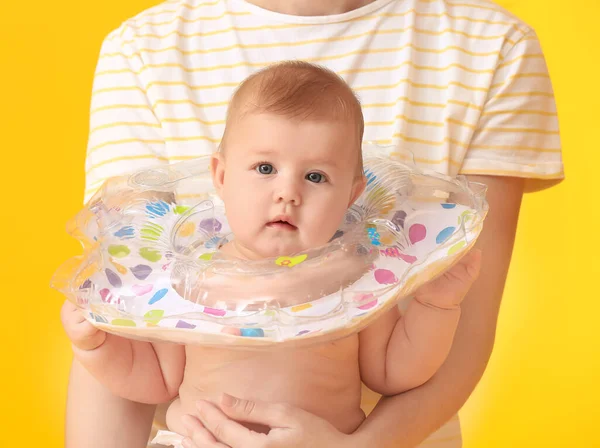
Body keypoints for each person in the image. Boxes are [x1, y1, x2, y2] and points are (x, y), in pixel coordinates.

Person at [64, 0, 564, 447]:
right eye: (264, 169)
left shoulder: (354, 279)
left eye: (316, 176)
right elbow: (150, 372)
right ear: (218, 176)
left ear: (354, 193)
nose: (287, 192)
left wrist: (436, 304)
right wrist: (97, 344)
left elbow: (399, 369)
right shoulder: (195, 280)